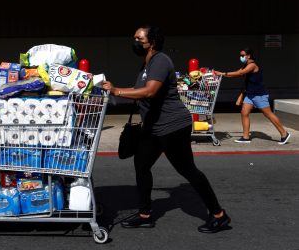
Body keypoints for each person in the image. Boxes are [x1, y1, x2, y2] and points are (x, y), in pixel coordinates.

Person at [102, 25, 231, 233]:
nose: (134, 42)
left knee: (188, 170)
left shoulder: (161, 60)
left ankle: (219, 215)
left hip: (173, 126)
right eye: (134, 38)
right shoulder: (147, 64)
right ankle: (145, 214)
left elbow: (150, 91)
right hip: (153, 128)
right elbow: (139, 90)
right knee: (141, 164)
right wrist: (115, 89)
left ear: (151, 42)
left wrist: (117, 90)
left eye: (139, 38)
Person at [215, 48, 291, 144]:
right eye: (240, 55)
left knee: (268, 114)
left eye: (242, 55)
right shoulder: (246, 65)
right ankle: (246, 137)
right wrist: (221, 74)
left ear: (249, 56)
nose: (241, 57)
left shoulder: (252, 65)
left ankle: (284, 134)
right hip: (250, 94)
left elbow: (240, 73)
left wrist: (223, 73)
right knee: (244, 112)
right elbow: (237, 73)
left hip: (259, 95)